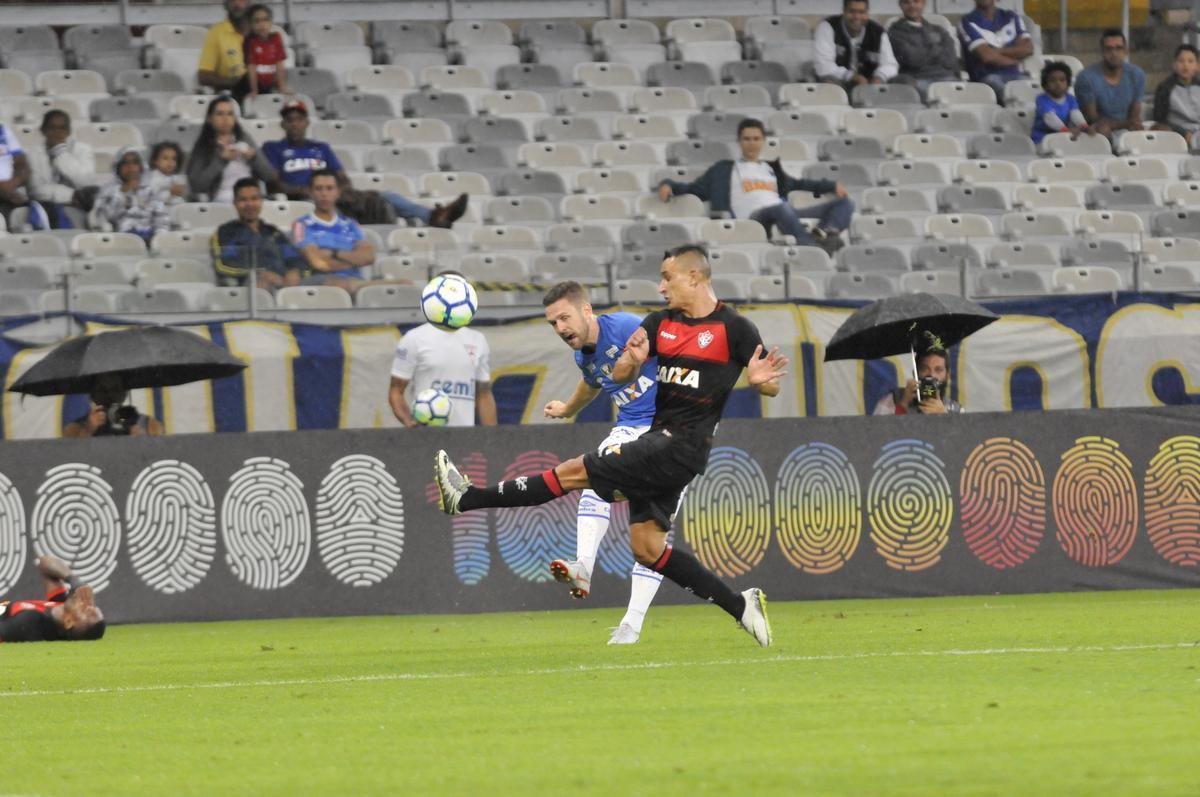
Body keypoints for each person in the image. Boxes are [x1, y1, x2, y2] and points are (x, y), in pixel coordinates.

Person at [434, 245, 788, 647]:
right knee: (647, 548)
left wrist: (763, 381)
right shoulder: (658, 323)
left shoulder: (735, 329)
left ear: (695, 277)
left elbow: (770, 383)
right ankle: (741, 607)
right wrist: (630, 362)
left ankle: (466, 499)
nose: (660, 286)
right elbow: (616, 374)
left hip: (680, 446)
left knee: (573, 472)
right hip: (660, 443)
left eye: (667, 277)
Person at [541, 281, 666, 645]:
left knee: (653, 530)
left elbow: (674, 353)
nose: (561, 328)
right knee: (595, 483)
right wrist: (567, 408)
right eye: (553, 323)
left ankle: (631, 623)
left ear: (586, 311)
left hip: (669, 431)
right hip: (631, 429)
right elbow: (591, 382)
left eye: (564, 317)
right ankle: (585, 570)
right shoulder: (584, 355)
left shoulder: (626, 327)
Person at [656, 118, 853, 253]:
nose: (752, 143)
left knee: (845, 203)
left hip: (784, 214)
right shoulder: (724, 169)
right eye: (747, 139)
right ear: (739, 142)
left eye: (756, 139)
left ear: (763, 141)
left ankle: (825, 233)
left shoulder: (771, 169)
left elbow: (800, 183)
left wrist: (831, 186)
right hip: (754, 219)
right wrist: (669, 184)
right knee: (781, 208)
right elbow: (695, 190)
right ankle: (813, 248)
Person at [261, 100, 468, 227]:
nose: (295, 124)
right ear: (283, 124)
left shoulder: (320, 147)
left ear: (306, 122)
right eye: (290, 120)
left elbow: (341, 176)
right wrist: (306, 190)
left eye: (299, 119)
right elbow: (274, 183)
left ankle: (434, 216)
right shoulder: (273, 148)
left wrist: (339, 190)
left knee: (386, 196)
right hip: (303, 199)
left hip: (333, 193)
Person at [388, 271, 498, 428]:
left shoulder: (477, 340)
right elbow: (396, 391)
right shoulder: (414, 338)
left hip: (464, 437)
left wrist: (491, 438)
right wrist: (409, 422)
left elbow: (484, 394)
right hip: (427, 436)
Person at [212, 177, 306, 290]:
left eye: (254, 198)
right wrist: (258, 273)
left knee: (328, 282)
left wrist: (294, 271)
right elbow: (223, 265)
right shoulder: (226, 232)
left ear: (261, 201)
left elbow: (293, 256)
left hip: (283, 283)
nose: (249, 204)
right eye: (243, 200)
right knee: (263, 282)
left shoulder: (273, 232)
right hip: (247, 287)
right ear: (235, 203)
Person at [292, 169, 375, 294]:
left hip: (355, 281)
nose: (324, 194)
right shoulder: (301, 224)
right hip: (321, 281)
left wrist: (333, 253)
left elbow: (369, 257)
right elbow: (319, 263)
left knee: (405, 285)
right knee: (348, 286)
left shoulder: (350, 224)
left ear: (338, 192)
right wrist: (354, 260)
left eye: (329, 188)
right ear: (310, 192)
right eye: (319, 188)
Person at [186, 95, 278, 203]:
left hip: (250, 196)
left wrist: (254, 158)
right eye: (220, 114)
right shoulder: (203, 145)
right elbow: (196, 185)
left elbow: (269, 176)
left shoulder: (244, 138)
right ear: (210, 119)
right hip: (221, 199)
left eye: (230, 114)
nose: (226, 118)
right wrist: (221, 161)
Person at [0, 555, 106, 643]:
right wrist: (73, 579)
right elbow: (45, 561)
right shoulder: (59, 603)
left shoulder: (31, 624)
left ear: (68, 621)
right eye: (91, 605)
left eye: (85, 610)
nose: (85, 602)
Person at [25, 109, 98, 228]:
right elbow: (35, 189)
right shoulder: (33, 153)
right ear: (43, 130)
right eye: (51, 128)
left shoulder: (83, 150)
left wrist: (60, 153)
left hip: (80, 208)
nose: (57, 133)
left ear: (69, 131)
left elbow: (85, 182)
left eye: (62, 128)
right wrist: (72, 195)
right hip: (47, 206)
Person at [1074, 29, 1146, 140]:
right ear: (1102, 51)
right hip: (1097, 130)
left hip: (1127, 127)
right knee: (1103, 129)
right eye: (1109, 49)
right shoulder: (1086, 77)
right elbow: (1093, 118)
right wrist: (1125, 124)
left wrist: (1129, 125)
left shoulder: (1137, 74)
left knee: (1159, 130)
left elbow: (1134, 116)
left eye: (1118, 48)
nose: (1114, 53)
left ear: (1125, 51)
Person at [814, 0, 899, 90]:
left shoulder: (878, 32)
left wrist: (879, 77)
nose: (856, 17)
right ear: (844, 11)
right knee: (829, 83)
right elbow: (823, 65)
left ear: (867, 13)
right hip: (839, 81)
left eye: (861, 12)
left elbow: (890, 65)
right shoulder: (828, 27)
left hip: (869, 83)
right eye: (851, 11)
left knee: (897, 83)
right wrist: (852, 76)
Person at [92, 147, 171, 243]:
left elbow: (161, 217)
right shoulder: (108, 189)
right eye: (125, 163)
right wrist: (122, 192)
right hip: (122, 239)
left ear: (141, 167)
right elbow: (102, 217)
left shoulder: (151, 189)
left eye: (135, 162)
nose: (130, 167)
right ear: (117, 167)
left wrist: (159, 237)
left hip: (151, 237)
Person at [958, 0, 1034, 100]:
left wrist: (996, 51)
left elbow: (1028, 49)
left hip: (1015, 75)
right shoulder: (967, 21)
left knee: (1036, 92)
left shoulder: (1011, 16)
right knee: (1012, 98)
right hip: (985, 78)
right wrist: (1015, 59)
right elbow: (987, 57)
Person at [887, 0, 960, 97]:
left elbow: (950, 60)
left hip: (946, 78)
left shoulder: (939, 30)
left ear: (924, 3)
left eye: (916, 1)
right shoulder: (895, 32)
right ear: (900, 5)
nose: (912, 5)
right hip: (916, 80)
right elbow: (913, 59)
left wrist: (923, 50)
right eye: (906, 2)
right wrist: (937, 48)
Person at [872, 345, 963, 415]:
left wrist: (945, 418)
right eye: (924, 368)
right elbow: (878, 434)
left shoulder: (956, 410)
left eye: (938, 370)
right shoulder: (892, 400)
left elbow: (964, 438)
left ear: (947, 376)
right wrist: (903, 404)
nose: (931, 374)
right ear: (914, 373)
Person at [63, 374, 164, 437]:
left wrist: (141, 441)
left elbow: (158, 454)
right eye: (102, 390)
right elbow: (71, 457)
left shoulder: (148, 425)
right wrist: (89, 429)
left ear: (125, 393)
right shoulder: (75, 429)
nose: (109, 395)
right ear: (92, 394)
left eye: (115, 389)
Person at [197, 0, 249, 98]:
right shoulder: (216, 33)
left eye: (242, 0)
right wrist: (236, 82)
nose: (237, 4)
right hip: (231, 96)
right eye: (232, 1)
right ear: (225, 4)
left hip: (261, 93)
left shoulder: (260, 30)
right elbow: (203, 76)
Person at [1031, 61, 1090, 145]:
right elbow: (1050, 118)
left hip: (1063, 136)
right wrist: (1066, 130)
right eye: (1052, 80)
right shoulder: (1041, 99)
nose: (1058, 84)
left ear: (1068, 83)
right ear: (1045, 84)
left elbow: (1075, 114)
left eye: (1062, 80)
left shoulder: (1071, 98)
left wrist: (1084, 127)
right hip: (1042, 138)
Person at [1152, 44, 1200, 145]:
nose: (1185, 65)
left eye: (1190, 61)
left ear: (1197, 66)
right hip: (1178, 136)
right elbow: (1160, 121)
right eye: (1181, 61)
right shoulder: (1165, 88)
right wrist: (1182, 133)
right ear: (1174, 65)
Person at [243, 4, 288, 99]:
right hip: (252, 84)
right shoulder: (249, 42)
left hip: (271, 84)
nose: (262, 24)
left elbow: (279, 64)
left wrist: (282, 87)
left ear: (271, 22)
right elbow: (251, 68)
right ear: (250, 24)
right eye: (257, 21)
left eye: (265, 20)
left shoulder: (276, 38)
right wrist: (254, 90)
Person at [0, 121, 34, 229]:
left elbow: (21, 164)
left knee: (28, 211)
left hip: (9, 191)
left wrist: (14, 182)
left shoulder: (3, 130)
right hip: (5, 193)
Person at [146, 141, 189, 206]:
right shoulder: (152, 178)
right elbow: (153, 197)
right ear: (155, 161)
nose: (170, 162)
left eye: (174, 159)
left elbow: (180, 197)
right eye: (165, 158)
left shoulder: (175, 178)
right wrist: (170, 193)